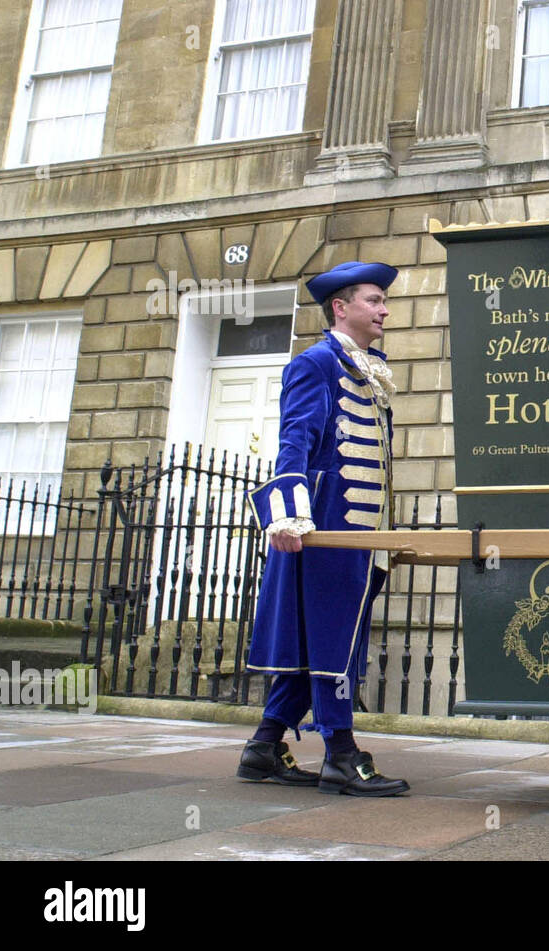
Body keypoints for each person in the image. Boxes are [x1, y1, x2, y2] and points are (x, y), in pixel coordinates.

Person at [236, 260, 409, 797]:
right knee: (337, 640)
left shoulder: (365, 367)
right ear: (341, 306)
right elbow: (296, 440)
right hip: (326, 530)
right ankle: (340, 753)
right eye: (373, 300)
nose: (384, 309)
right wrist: (288, 513)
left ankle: (264, 747)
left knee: (325, 640)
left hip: (359, 535)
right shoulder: (316, 363)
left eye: (383, 300)